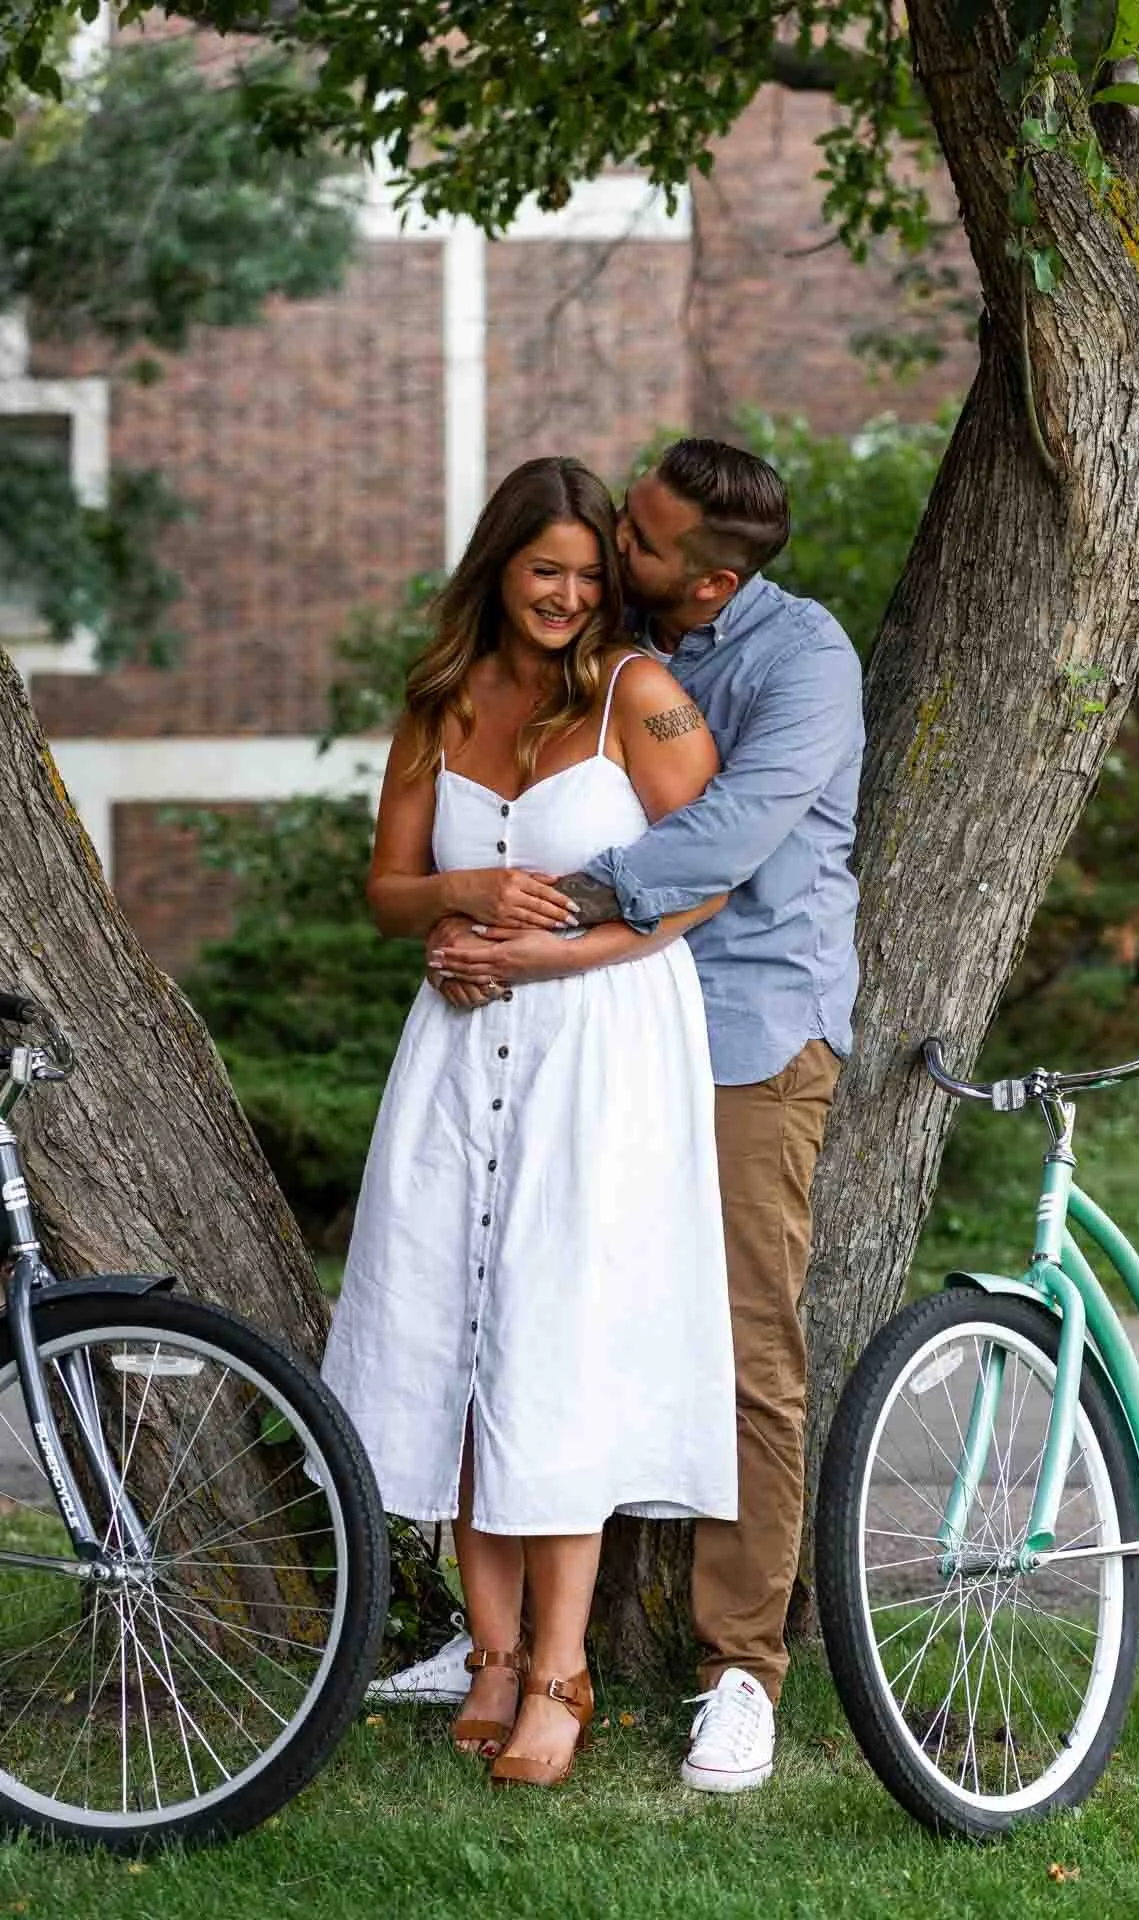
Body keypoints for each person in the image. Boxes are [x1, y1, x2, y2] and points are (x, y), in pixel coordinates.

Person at [429, 439, 863, 1793]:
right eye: (623, 519)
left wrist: (535, 906)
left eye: (643, 537)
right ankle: (509, 1644)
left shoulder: (803, 664)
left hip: (739, 1031)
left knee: (740, 1351)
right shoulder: (606, 629)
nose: (616, 543)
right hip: (598, 1027)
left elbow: (724, 840)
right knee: (540, 1316)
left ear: (713, 574)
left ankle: (740, 1668)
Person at [322, 454, 738, 1790]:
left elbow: (706, 884)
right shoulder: (440, 700)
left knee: (558, 1343)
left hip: (599, 1046)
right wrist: (466, 895)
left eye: (584, 573)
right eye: (541, 568)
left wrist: (548, 953)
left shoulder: (642, 698)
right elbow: (386, 893)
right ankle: (489, 1652)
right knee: (451, 1328)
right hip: (455, 1050)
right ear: (496, 567)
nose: (565, 594)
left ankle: (562, 1669)